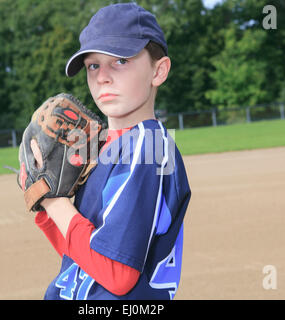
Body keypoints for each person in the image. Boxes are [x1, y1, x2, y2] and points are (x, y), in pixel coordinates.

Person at [31, 2, 191, 300]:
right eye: (93, 65)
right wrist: (45, 203)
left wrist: (55, 203)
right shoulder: (102, 149)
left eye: (120, 61)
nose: (102, 76)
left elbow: (116, 273)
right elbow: (81, 256)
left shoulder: (147, 146)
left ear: (159, 70)